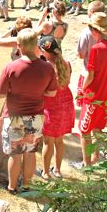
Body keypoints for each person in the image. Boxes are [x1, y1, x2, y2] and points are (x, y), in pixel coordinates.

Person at [0, 28, 58, 193]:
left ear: (19, 45)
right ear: (36, 45)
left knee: (15, 154)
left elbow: (0, 95)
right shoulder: (47, 68)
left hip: (14, 116)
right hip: (36, 116)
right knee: (30, 152)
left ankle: (12, 187)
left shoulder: (10, 67)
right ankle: (26, 185)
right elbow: (52, 92)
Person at [78, 13, 107, 167]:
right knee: (98, 128)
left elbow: (90, 74)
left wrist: (82, 89)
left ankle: (86, 165)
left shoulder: (96, 48)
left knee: (84, 130)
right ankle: (96, 157)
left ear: (94, 31)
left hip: (94, 95)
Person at [38, 36, 73, 180]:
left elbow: (43, 89)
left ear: (44, 51)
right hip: (66, 104)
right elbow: (67, 81)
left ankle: (45, 172)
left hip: (51, 106)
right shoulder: (66, 63)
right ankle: (57, 170)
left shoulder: (46, 67)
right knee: (59, 140)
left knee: (48, 141)